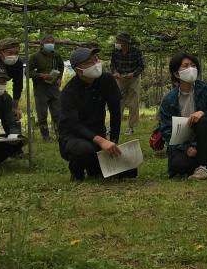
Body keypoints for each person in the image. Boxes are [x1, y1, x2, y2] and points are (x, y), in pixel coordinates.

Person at [60, 47, 135, 181]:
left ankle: (93, 168)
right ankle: (76, 172)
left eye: (96, 59)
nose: (96, 63)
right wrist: (102, 141)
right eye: (89, 62)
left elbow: (115, 111)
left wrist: (113, 141)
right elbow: (74, 126)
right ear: (78, 70)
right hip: (74, 138)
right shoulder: (68, 92)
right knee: (84, 150)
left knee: (130, 170)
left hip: (98, 136)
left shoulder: (106, 79)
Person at [157, 52, 207, 179]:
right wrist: (186, 147)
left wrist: (204, 113)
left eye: (193, 65)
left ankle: (204, 166)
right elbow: (166, 129)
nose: (191, 69)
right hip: (183, 142)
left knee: (201, 120)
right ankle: (199, 161)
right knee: (178, 166)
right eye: (186, 66)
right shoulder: (169, 99)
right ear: (176, 73)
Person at [27, 35, 65, 142]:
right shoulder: (35, 56)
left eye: (52, 42)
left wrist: (59, 78)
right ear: (42, 44)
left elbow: (61, 66)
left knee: (57, 112)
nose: (50, 44)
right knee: (42, 114)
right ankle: (46, 137)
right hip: (40, 89)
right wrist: (40, 75)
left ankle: (60, 135)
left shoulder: (56, 55)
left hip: (54, 87)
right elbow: (28, 72)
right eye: (48, 42)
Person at [110, 32, 145, 135]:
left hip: (133, 78)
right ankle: (115, 125)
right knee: (118, 101)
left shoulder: (136, 52)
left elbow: (141, 66)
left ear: (125, 42)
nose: (117, 43)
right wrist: (115, 72)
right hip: (120, 78)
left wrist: (133, 73)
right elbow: (112, 65)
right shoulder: (115, 51)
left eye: (118, 41)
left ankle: (131, 127)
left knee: (133, 102)